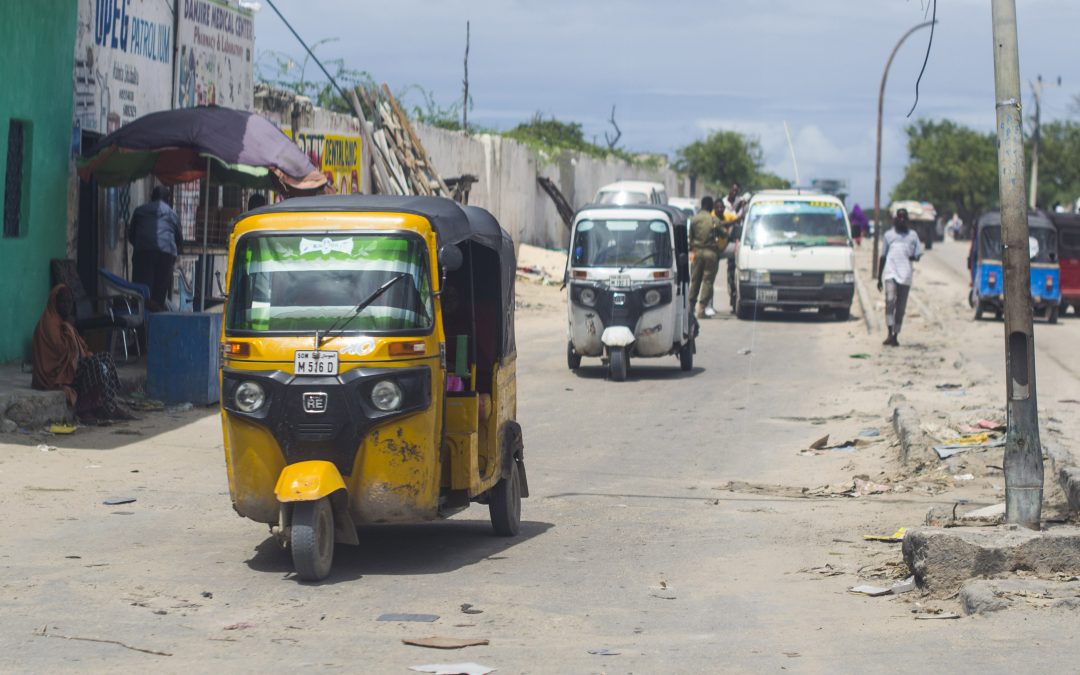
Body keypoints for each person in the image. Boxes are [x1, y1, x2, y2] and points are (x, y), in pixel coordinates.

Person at [32, 285, 133, 421]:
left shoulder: (66, 323)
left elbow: (81, 348)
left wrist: (85, 354)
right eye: (63, 302)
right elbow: (61, 353)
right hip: (58, 375)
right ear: (54, 303)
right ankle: (84, 409)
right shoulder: (49, 324)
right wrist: (68, 331)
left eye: (69, 302)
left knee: (106, 358)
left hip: (71, 368)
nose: (66, 306)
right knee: (93, 364)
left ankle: (109, 406)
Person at [128, 186, 183, 311]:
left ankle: (140, 325)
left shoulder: (140, 210)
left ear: (151, 197)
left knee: (141, 292)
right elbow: (179, 240)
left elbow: (131, 236)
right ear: (167, 200)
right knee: (158, 294)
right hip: (166, 255)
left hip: (143, 253)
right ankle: (155, 321)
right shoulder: (172, 214)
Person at [877, 208, 922, 346]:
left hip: (906, 275)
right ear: (895, 219)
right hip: (891, 273)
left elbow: (918, 254)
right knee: (890, 301)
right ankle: (889, 333)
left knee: (900, 308)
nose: (901, 220)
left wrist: (914, 257)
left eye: (904, 217)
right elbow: (883, 257)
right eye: (899, 217)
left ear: (907, 220)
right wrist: (879, 277)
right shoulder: (888, 235)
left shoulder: (913, 236)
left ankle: (896, 336)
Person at [688, 196, 724, 319]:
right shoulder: (714, 220)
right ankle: (701, 309)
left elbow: (690, 239)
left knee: (695, 280)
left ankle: (690, 307)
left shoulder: (694, 219)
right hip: (710, 254)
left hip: (696, 253)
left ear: (702, 205)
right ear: (711, 206)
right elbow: (724, 233)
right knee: (707, 282)